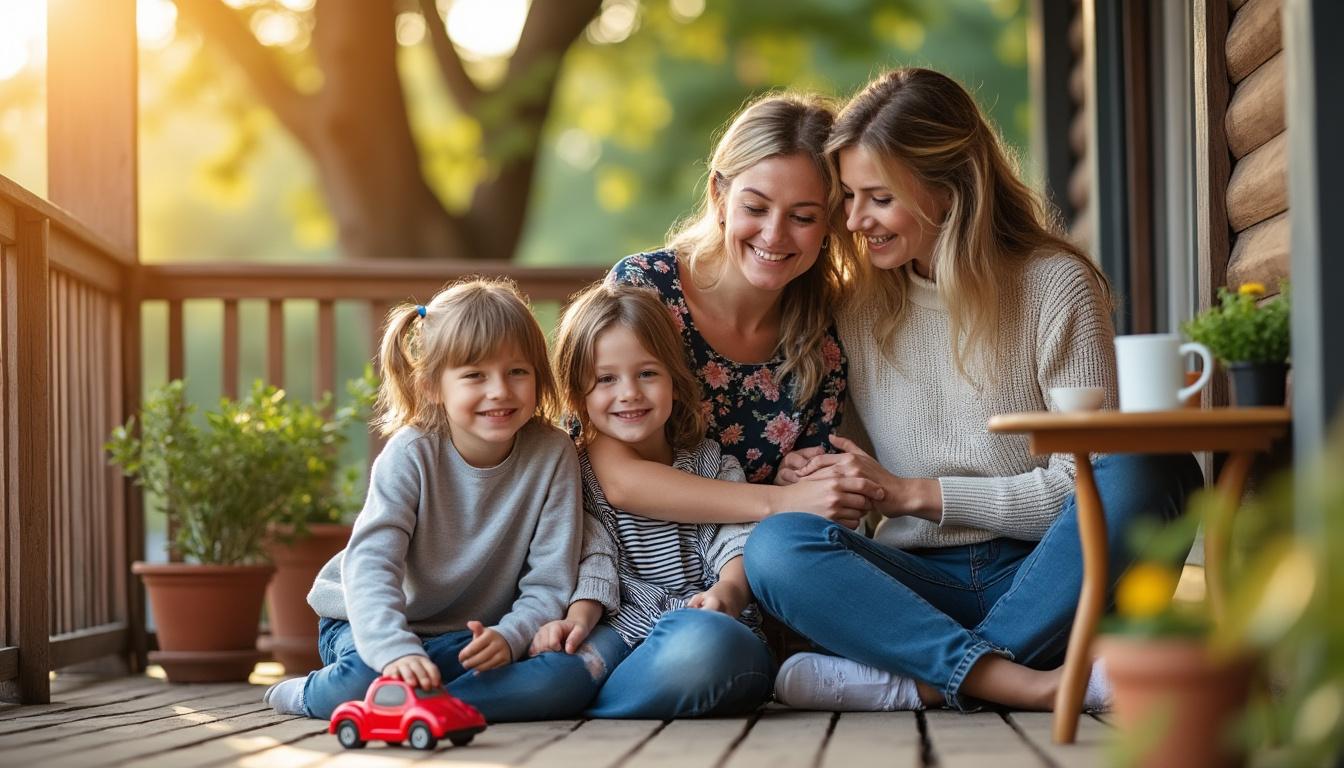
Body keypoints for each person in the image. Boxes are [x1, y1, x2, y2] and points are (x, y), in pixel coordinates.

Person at [744, 68, 1203, 712]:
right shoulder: (856, 309)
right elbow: (855, 465)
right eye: (848, 197)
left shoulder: (1054, 288)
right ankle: (1018, 679)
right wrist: (826, 473)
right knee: (776, 546)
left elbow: (1090, 482)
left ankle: (926, 680)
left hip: (1050, 571)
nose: (853, 220)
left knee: (1157, 469)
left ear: (947, 186)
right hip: (919, 585)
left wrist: (917, 494)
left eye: (876, 197)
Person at [263, 278, 596, 721]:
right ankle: (307, 694)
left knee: (566, 677)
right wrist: (394, 651)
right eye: (475, 374)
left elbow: (550, 580)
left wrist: (511, 636)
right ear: (432, 386)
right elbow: (371, 565)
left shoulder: (553, 453)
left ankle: (421, 703)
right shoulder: (411, 453)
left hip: (466, 636)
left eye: (517, 371)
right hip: (369, 622)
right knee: (367, 677)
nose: (500, 390)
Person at [591, 93, 885, 528]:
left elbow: (815, 498)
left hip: (751, 564)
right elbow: (616, 477)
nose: (773, 234)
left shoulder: (825, 331)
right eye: (755, 208)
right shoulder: (645, 289)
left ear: (830, 224)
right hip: (628, 554)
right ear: (719, 195)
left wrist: (801, 477)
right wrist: (775, 501)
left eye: (803, 217)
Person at [531, 282, 774, 718]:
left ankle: (591, 702)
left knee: (710, 648)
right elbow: (594, 557)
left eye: (647, 373)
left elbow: (736, 540)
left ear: (675, 382)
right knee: (558, 668)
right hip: (615, 630)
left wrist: (729, 592)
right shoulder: (576, 473)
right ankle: (575, 690)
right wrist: (579, 619)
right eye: (606, 379)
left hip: (703, 626)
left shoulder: (711, 463)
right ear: (578, 397)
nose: (629, 393)